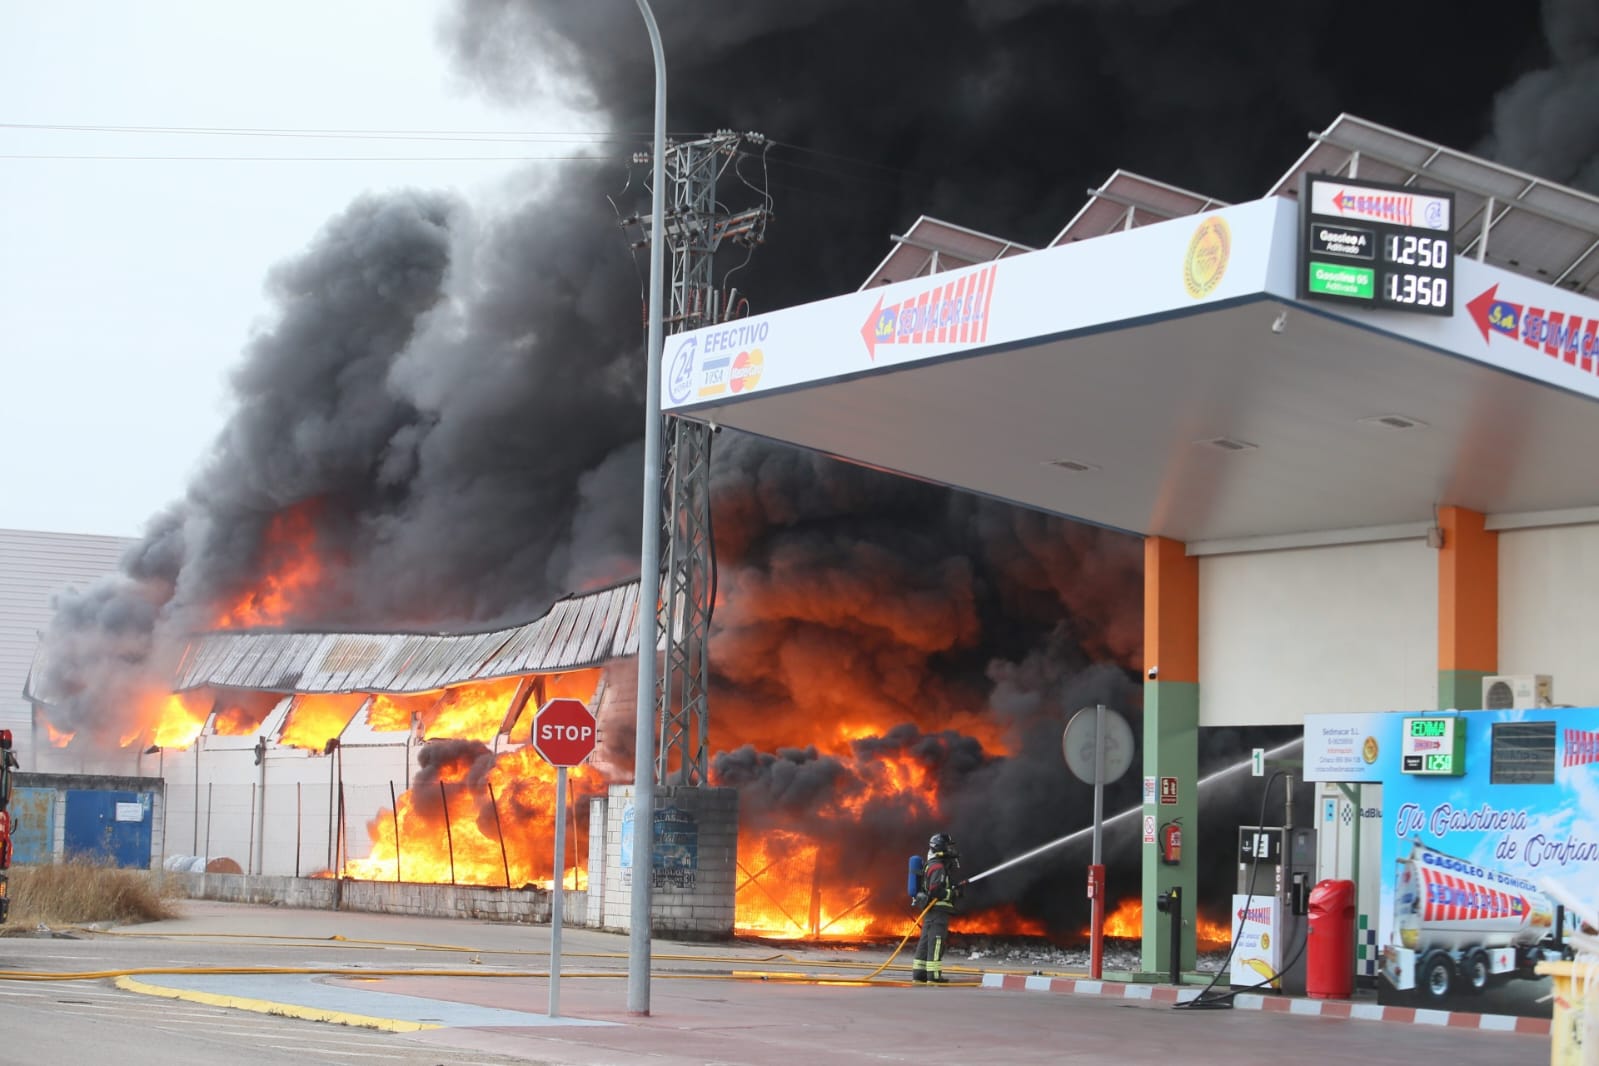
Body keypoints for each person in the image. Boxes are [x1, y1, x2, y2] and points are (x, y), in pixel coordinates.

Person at [911, 831, 963, 983]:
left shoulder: (931, 865)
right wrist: (952, 893)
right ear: (940, 847)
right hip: (938, 910)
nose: (950, 850)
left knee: (926, 940)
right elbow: (936, 891)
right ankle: (933, 976)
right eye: (947, 846)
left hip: (931, 911)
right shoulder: (938, 867)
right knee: (937, 940)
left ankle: (919, 974)